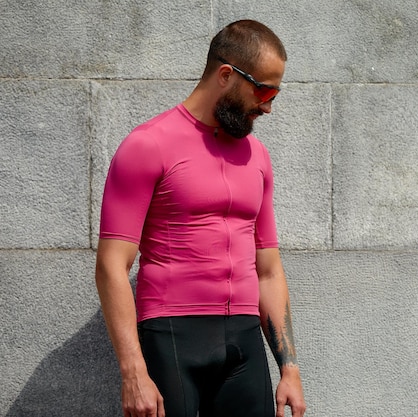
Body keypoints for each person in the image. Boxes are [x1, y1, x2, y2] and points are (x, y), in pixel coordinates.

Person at [95, 20, 306, 417]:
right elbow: (111, 265)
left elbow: (269, 271)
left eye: (275, 92)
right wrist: (133, 372)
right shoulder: (147, 145)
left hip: (244, 342)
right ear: (226, 75)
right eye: (263, 89)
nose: (268, 106)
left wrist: (289, 368)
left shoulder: (256, 156)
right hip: (172, 337)